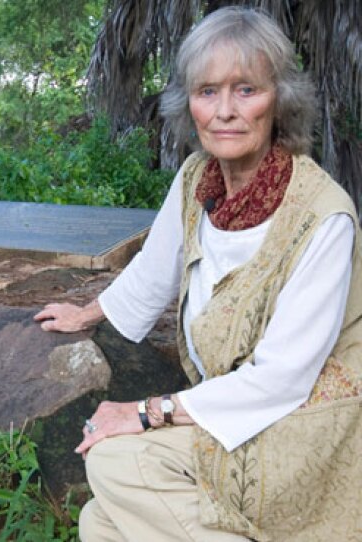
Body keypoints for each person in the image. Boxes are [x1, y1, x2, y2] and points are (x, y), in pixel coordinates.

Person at [34, 7, 362, 541]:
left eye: (246, 90)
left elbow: (283, 379)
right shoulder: (197, 180)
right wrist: (85, 314)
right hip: (232, 406)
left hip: (303, 422)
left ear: (279, 99)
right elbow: (153, 269)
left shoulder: (323, 215)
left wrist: (145, 412)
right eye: (207, 91)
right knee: (100, 524)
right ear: (189, 103)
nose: (225, 111)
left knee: (115, 469)